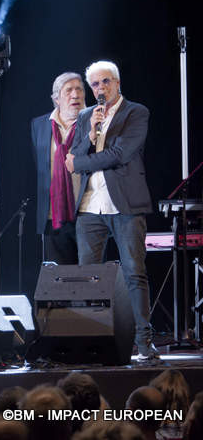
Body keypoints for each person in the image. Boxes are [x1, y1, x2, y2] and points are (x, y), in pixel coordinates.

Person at [65, 60, 157, 360]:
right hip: (91, 206)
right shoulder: (85, 116)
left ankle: (143, 342)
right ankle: (93, 343)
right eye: (95, 84)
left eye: (106, 82)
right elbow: (75, 152)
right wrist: (90, 135)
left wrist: (79, 163)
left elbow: (120, 155)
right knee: (88, 278)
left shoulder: (136, 112)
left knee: (134, 273)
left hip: (125, 205)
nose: (100, 88)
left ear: (117, 83)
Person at [31, 72, 86, 264]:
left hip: (88, 213)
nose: (75, 94)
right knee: (59, 280)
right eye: (69, 90)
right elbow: (41, 167)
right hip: (53, 215)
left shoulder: (94, 122)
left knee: (91, 279)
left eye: (79, 89)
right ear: (56, 99)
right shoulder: (39, 125)